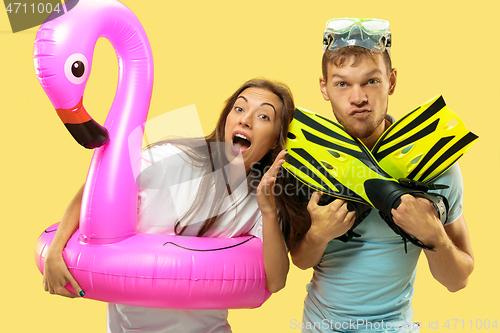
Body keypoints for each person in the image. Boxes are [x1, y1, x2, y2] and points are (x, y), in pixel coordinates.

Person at [42, 78, 295, 333]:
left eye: (263, 116)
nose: (245, 120)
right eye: (239, 109)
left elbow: (276, 281)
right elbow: (98, 189)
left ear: (275, 140)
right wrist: (56, 248)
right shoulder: (172, 159)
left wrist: (269, 210)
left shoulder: (262, 197)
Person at [277, 18, 474, 332]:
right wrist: (319, 234)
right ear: (324, 87)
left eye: (371, 81)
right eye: (342, 83)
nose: (358, 98)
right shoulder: (304, 162)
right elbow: (300, 260)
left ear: (391, 82)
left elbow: (458, 280)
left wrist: (434, 236)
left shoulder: (434, 165)